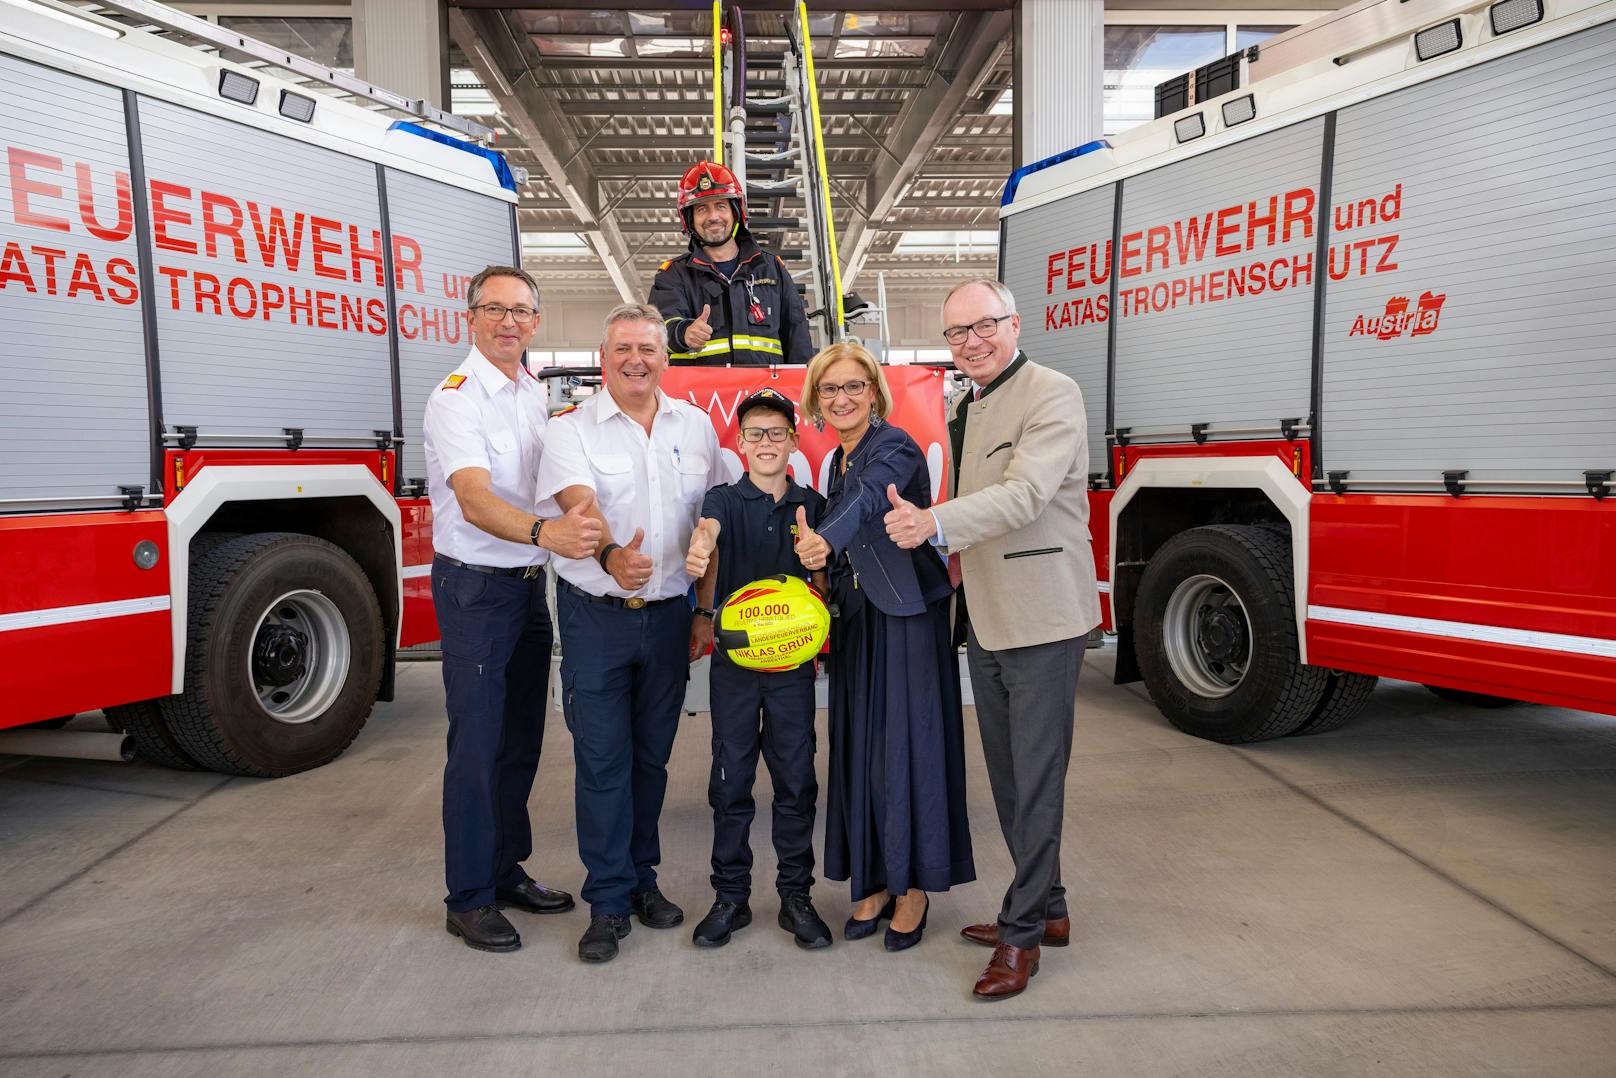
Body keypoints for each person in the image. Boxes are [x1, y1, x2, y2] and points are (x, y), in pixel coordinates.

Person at [883, 277, 1100, 1000]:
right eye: (955, 333)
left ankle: (1021, 934)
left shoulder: (1051, 392)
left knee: (1035, 783)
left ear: (1014, 324)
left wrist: (933, 524)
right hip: (989, 618)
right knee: (1011, 779)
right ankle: (1052, 908)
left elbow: (1026, 494)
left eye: (984, 327)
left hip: (1042, 618)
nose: (970, 342)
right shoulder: (967, 406)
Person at [535, 302, 727, 964]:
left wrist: (705, 611)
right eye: (623, 350)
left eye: (648, 349)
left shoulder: (697, 428)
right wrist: (613, 555)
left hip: (672, 619)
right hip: (598, 619)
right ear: (603, 357)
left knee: (651, 760)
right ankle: (608, 902)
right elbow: (576, 505)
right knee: (603, 761)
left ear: (665, 358)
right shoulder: (571, 430)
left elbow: (713, 525)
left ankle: (643, 882)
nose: (636, 360)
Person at [422, 264, 604, 953]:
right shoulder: (456, 398)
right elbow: (473, 497)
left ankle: (505, 871)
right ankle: (466, 896)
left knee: (520, 739)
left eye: (521, 311)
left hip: (528, 584)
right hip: (475, 587)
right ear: (469, 317)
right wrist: (544, 534)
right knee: (476, 744)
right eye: (494, 310)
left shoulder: (533, 394)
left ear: (536, 322)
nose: (508, 322)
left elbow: (555, 486)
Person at [792, 343, 974, 952]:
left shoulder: (890, 447)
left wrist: (824, 540)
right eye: (829, 390)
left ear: (874, 391)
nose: (841, 398)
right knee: (860, 749)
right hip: (858, 621)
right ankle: (872, 878)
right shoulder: (841, 460)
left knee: (909, 749)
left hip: (906, 618)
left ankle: (915, 886)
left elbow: (871, 501)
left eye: (852, 387)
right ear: (817, 401)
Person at [684, 388, 833, 951]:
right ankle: (731, 897)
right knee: (731, 782)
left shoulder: (812, 504)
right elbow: (709, 536)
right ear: (740, 443)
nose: (766, 443)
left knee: (797, 783)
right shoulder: (722, 499)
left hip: (793, 669)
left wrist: (818, 568)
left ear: (794, 441)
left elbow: (823, 581)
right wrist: (700, 549)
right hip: (736, 672)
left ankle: (796, 897)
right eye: (755, 434)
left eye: (777, 433)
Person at [648, 159, 814, 366]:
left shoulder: (772, 270)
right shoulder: (672, 276)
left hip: (765, 396)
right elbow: (655, 331)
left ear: (736, 211)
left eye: (720, 206)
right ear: (688, 219)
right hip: (697, 396)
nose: (713, 216)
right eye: (701, 209)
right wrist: (683, 333)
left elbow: (798, 339)